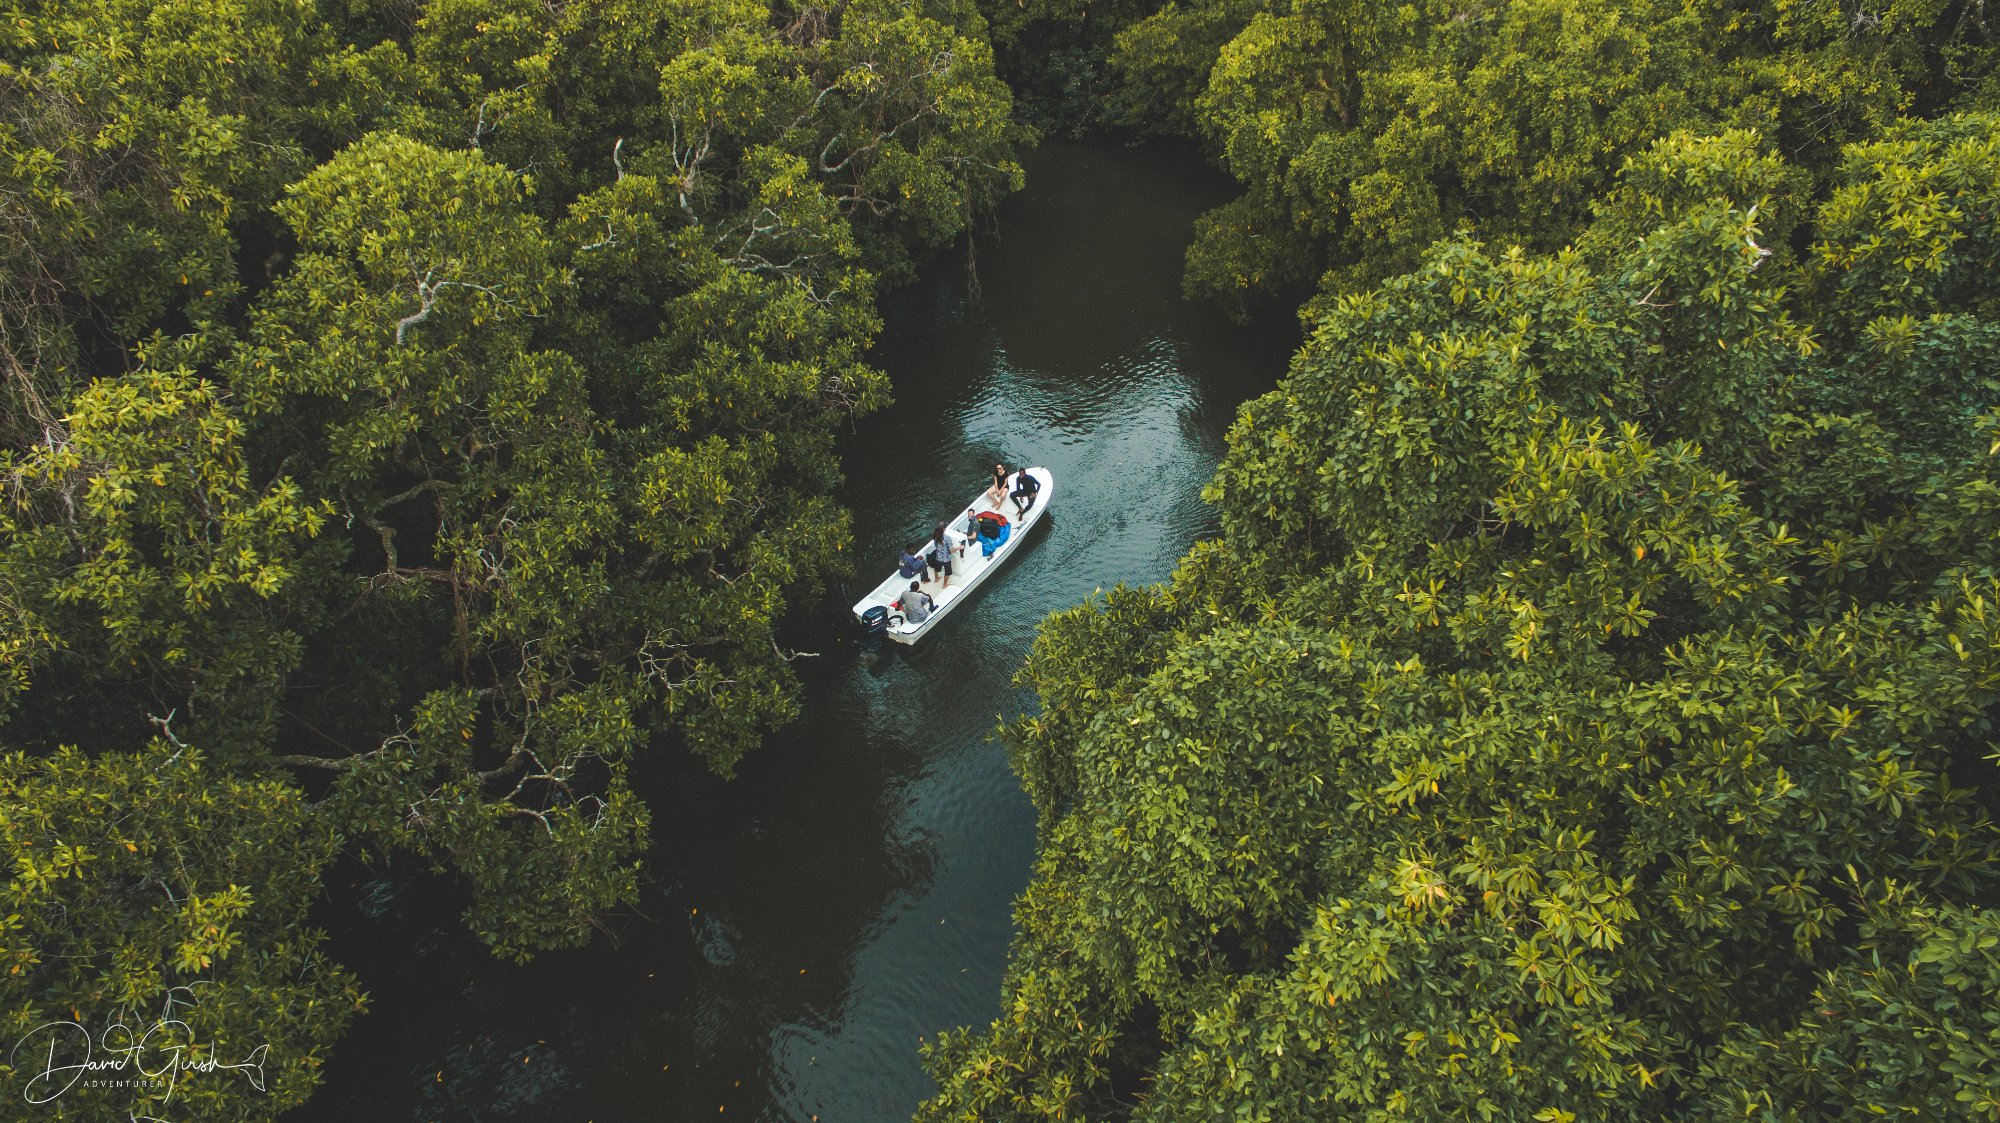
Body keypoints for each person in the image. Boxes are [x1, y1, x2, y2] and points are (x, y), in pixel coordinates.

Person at [927, 521, 957, 587]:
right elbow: (951, 550)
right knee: (947, 572)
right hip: (946, 559)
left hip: (938, 558)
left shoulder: (935, 535)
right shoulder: (946, 538)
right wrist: (959, 548)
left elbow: (936, 546)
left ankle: (936, 579)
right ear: (944, 528)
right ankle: (944, 585)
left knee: (936, 569)